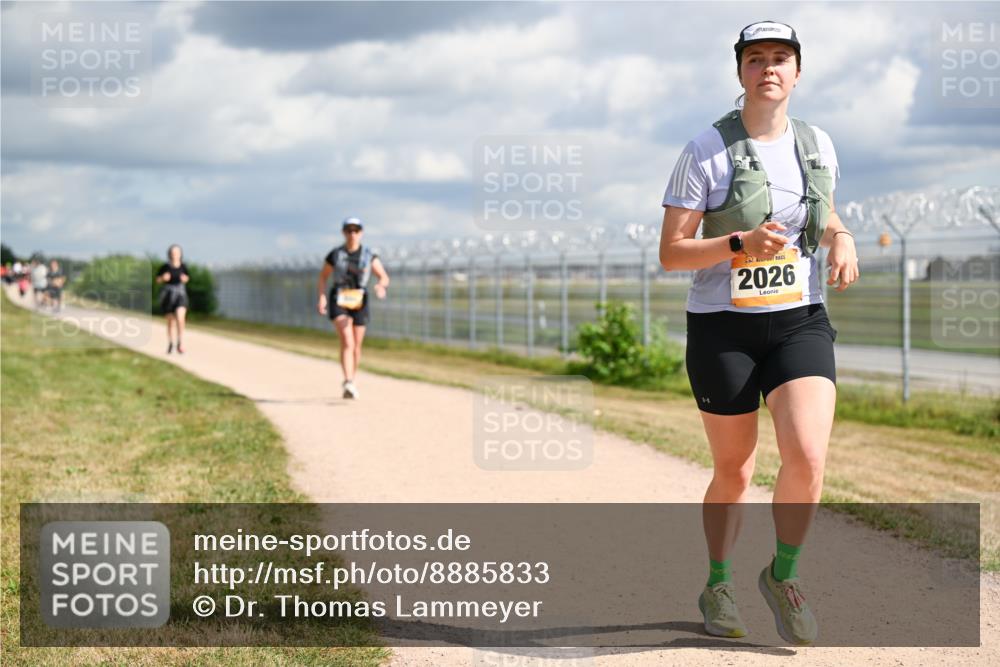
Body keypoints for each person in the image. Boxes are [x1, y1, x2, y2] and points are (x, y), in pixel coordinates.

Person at [659, 21, 859, 645]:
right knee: (736, 471)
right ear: (740, 72)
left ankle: (784, 576)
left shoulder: (818, 143)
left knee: (808, 453)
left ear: (798, 72)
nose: (768, 68)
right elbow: (672, 253)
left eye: (780, 58)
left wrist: (842, 237)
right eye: (755, 59)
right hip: (724, 328)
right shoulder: (705, 150)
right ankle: (718, 583)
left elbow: (820, 215)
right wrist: (738, 242)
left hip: (800, 318)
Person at [316, 217, 389, 399]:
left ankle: (352, 379)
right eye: (349, 230)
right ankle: (348, 380)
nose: (352, 234)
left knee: (356, 345)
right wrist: (322, 297)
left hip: (359, 300)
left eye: (356, 230)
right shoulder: (335, 254)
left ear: (361, 233)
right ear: (343, 232)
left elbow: (383, 277)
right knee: (347, 340)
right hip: (339, 299)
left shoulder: (368, 255)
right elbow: (323, 277)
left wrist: (381, 286)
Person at [156, 244, 190, 354]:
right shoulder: (165, 267)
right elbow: (158, 280)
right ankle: (171, 343)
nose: (175, 255)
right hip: (168, 295)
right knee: (171, 321)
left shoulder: (183, 266)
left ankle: (180, 342)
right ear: (170, 254)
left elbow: (187, 277)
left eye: (177, 253)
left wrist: (185, 279)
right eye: (173, 253)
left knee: (181, 318)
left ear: (180, 254)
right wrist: (163, 278)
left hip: (180, 294)